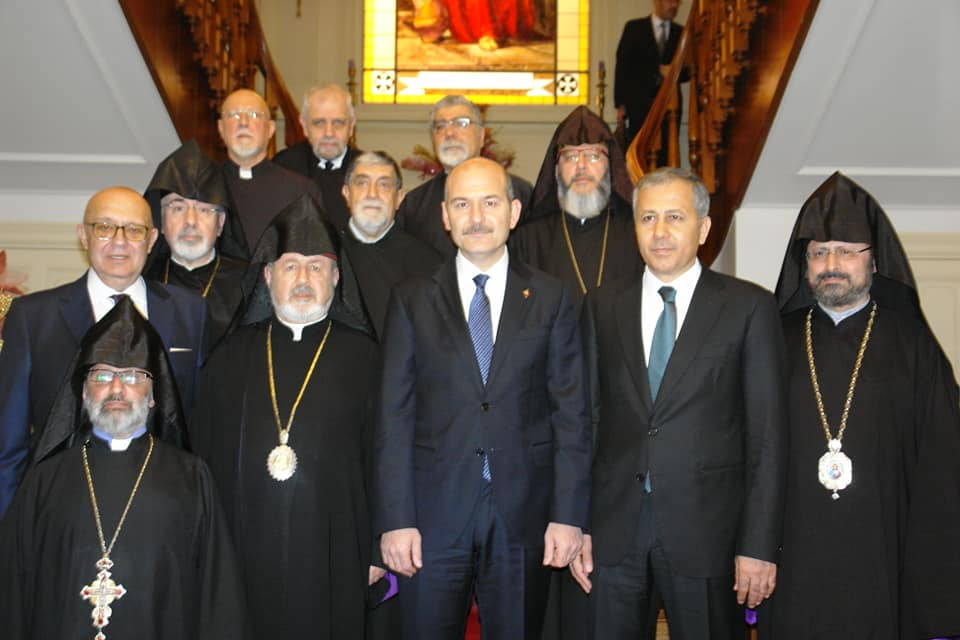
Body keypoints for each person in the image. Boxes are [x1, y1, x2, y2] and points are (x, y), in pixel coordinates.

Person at [375, 157, 592, 639]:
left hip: (525, 515)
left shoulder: (552, 298)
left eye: (490, 202)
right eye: (462, 204)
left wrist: (568, 516)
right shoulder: (411, 299)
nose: (476, 217)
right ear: (445, 216)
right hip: (430, 518)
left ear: (513, 212)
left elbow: (571, 414)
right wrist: (395, 520)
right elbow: (393, 415)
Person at [576, 167, 787, 639]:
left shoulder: (748, 308)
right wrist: (578, 523)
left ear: (704, 228)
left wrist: (758, 545)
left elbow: (768, 437)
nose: (660, 231)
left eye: (675, 217)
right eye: (648, 217)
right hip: (614, 532)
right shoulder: (601, 306)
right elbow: (586, 421)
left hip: (709, 535)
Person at [764, 172, 960, 639]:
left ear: (874, 261)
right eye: (819, 252)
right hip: (794, 548)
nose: (832, 263)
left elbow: (943, 459)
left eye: (847, 251)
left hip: (884, 547)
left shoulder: (913, 345)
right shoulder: (773, 341)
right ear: (804, 264)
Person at [192, 194, 385, 639]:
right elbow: (204, 459)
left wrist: (377, 546)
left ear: (336, 277)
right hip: (244, 543)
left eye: (316, 267)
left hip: (337, 544)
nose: (303, 279)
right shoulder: (229, 359)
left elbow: (386, 459)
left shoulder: (368, 358)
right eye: (290, 266)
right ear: (267, 275)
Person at [0, 297, 247, 640]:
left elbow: (218, 599)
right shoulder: (44, 481)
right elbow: (11, 596)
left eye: (132, 376)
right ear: (83, 393)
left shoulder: (191, 478)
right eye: (102, 375)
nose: (116, 389)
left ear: (153, 395)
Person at [0, 186, 207, 517]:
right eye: (105, 227)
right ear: (83, 236)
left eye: (134, 230)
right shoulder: (33, 317)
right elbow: (8, 442)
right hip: (60, 511)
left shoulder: (190, 312)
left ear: (152, 240)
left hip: (162, 509)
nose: (119, 241)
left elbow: (197, 422)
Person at [511, 106, 642, 309]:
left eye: (593, 155)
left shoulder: (636, 233)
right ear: (556, 170)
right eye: (570, 156)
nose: (581, 165)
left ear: (610, 167)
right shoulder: (528, 239)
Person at [395, 95, 533, 259]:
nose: (449, 133)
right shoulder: (414, 204)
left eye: (461, 123)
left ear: (481, 136)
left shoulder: (520, 192)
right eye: (440, 126)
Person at [144, 140, 248, 348]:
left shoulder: (249, 284)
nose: (190, 221)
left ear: (220, 223)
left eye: (204, 210)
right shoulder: (141, 281)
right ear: (161, 221)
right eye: (178, 208)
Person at [340, 150, 442, 339]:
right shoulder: (325, 254)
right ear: (347, 194)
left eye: (384, 185)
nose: (372, 194)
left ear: (399, 198)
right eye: (362, 183)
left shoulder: (428, 264)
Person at [217, 88, 325, 253]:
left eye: (254, 115)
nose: (243, 122)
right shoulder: (203, 186)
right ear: (221, 128)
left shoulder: (302, 191)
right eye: (234, 115)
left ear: (270, 129)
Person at [273, 84, 361, 232]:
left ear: (351, 126)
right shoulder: (282, 167)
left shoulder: (367, 169)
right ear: (304, 125)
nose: (329, 133)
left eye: (338, 123)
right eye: (319, 123)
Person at [615, 0, 685, 155]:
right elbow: (623, 66)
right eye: (670, 1)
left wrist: (674, 72)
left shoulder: (681, 33)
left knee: (667, 152)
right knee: (638, 151)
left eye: (677, 2)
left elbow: (689, 70)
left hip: (669, 105)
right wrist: (620, 104)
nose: (674, 6)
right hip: (638, 104)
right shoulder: (634, 28)